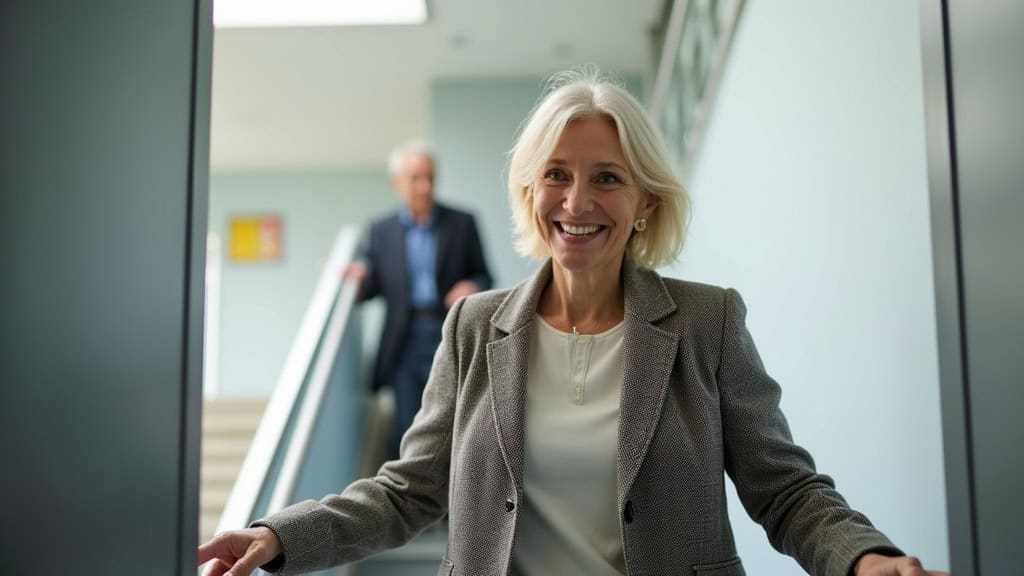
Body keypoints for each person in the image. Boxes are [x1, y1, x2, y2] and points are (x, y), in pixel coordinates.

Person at [199, 71, 948, 576]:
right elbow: (409, 490)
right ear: (530, 192)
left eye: (608, 178)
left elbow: (784, 491)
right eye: (557, 173)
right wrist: (278, 535)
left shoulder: (706, 321)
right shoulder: (473, 327)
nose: (577, 200)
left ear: (646, 202)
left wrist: (863, 558)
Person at [344, 139, 492, 458]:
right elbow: (375, 286)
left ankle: (454, 506)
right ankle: (413, 505)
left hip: (449, 333)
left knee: (454, 426)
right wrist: (358, 282)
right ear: (397, 183)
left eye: (430, 177)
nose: (425, 186)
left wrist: (470, 285)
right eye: (416, 178)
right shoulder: (380, 230)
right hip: (403, 341)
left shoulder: (463, 223)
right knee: (407, 431)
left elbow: (484, 274)